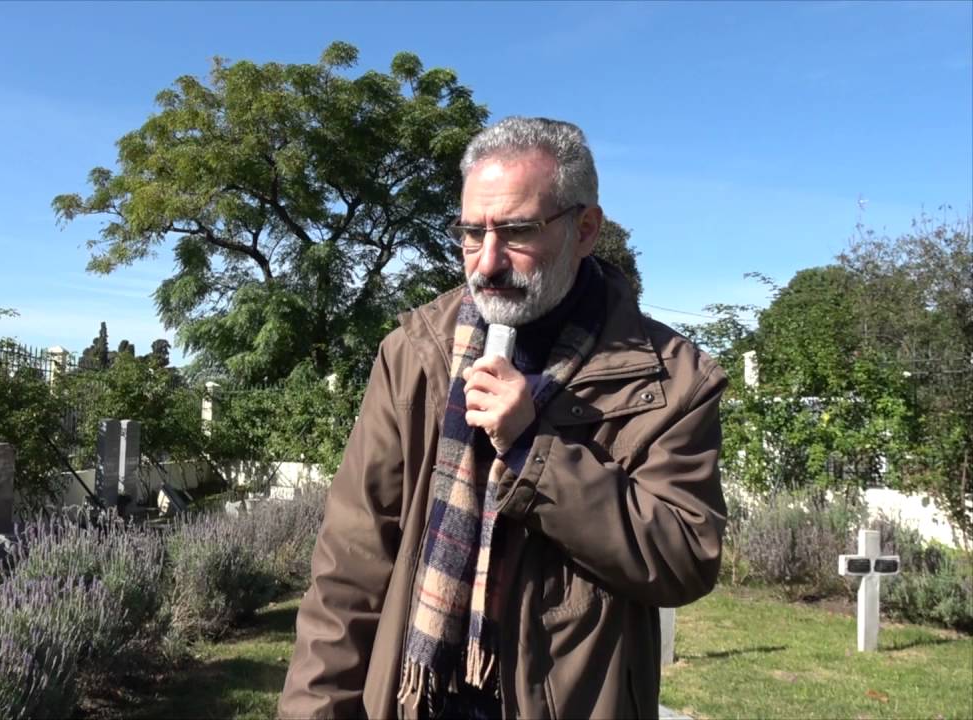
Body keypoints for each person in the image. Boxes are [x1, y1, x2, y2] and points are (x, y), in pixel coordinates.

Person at [278, 117, 728, 720]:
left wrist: (533, 449)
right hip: (418, 699)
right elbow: (350, 564)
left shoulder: (671, 378)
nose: (486, 263)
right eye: (471, 233)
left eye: (516, 231)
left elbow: (684, 559)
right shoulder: (416, 354)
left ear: (585, 228)